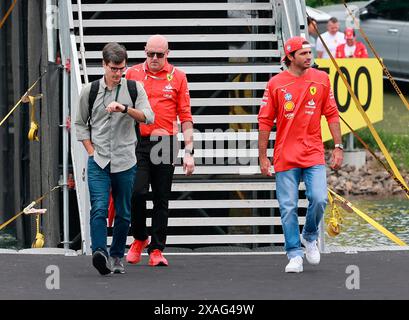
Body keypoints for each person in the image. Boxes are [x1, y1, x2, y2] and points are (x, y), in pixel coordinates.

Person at [258, 36, 343, 273]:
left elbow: (332, 114)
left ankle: (310, 235)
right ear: (290, 57)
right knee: (288, 207)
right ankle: (294, 253)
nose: (309, 57)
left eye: (309, 52)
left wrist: (338, 146)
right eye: (303, 53)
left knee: (319, 198)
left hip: (313, 152)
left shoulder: (322, 79)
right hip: (285, 154)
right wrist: (263, 157)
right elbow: (265, 121)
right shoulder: (275, 84)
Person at [75, 42, 154, 275]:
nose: (118, 73)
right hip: (98, 160)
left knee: (123, 211)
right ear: (104, 65)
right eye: (113, 69)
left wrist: (124, 109)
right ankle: (100, 252)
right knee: (99, 207)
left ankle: (117, 255)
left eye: (121, 68)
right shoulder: (89, 91)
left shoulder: (134, 88)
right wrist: (90, 151)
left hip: (125, 160)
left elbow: (149, 117)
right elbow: (80, 124)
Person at [125, 34, 195, 267]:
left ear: (168, 54)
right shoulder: (132, 73)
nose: (154, 59)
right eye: (150, 54)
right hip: (138, 141)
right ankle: (139, 237)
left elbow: (185, 117)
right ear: (144, 51)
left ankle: (156, 249)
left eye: (159, 55)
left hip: (165, 141)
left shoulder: (178, 77)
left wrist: (189, 151)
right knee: (136, 193)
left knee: (161, 197)